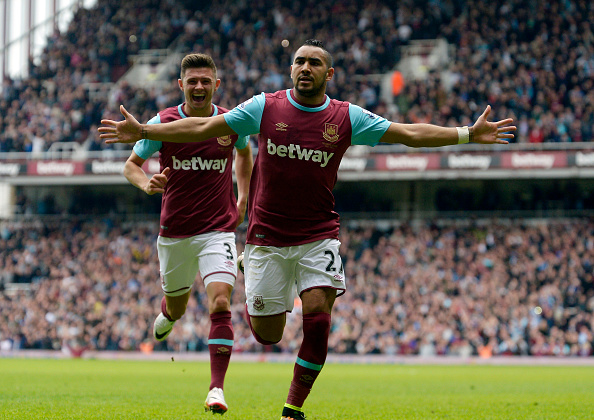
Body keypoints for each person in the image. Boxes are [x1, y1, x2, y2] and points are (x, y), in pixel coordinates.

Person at [99, 39, 515, 420]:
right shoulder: (264, 107)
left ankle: (292, 408)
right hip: (266, 240)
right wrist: (146, 132)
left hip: (319, 235)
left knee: (318, 318)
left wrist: (466, 134)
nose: (305, 67)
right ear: (290, 68)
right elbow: (204, 127)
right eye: (299, 61)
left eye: (314, 63)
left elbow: (407, 133)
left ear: (328, 74)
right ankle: (248, 276)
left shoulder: (346, 117)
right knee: (267, 335)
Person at [121, 53, 253, 415]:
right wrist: (147, 183)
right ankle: (168, 314)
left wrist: (242, 197)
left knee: (221, 302)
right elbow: (131, 165)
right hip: (175, 232)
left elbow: (245, 154)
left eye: (205, 80)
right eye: (191, 81)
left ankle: (216, 388)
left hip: (218, 229)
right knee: (177, 307)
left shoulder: (231, 122)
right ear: (181, 85)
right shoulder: (162, 123)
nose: (198, 86)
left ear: (216, 84)